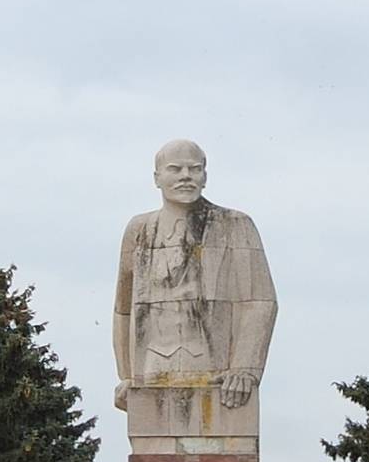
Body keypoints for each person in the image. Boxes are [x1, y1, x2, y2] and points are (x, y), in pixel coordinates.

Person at [112, 139, 277, 415]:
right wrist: (127, 375)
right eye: (175, 169)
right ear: (157, 178)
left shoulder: (235, 224)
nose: (186, 176)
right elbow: (123, 310)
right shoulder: (139, 230)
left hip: (216, 370)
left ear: (205, 176)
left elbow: (260, 301)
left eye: (194, 169)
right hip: (153, 368)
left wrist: (244, 369)